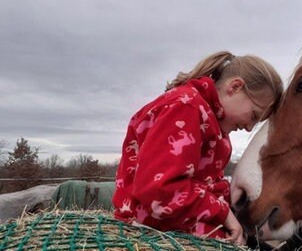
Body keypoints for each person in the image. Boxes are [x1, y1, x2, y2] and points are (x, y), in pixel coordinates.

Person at [112, 51, 283, 245]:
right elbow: (160, 193)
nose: (250, 127)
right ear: (235, 87)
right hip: (152, 220)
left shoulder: (211, 123)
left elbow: (206, 183)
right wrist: (224, 213)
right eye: (253, 115)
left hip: (180, 215)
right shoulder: (187, 108)